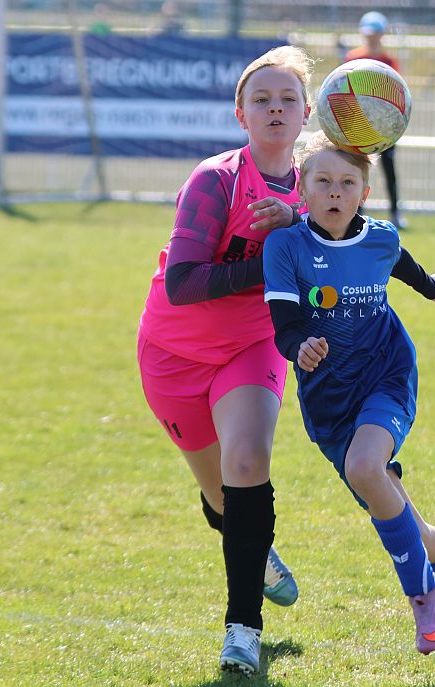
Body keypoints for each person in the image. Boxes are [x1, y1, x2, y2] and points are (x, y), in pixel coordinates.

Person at [263, 131, 435, 656]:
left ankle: (424, 600)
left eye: (347, 183)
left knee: (364, 469)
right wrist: (299, 346)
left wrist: (433, 288)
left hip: (386, 374)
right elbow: (284, 323)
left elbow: (402, 265)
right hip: (329, 400)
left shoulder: (380, 238)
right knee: (407, 525)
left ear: (364, 193)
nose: (335, 192)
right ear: (302, 190)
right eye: (323, 181)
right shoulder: (285, 246)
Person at [136, 45, 314, 676]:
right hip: (173, 351)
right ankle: (253, 546)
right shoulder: (215, 179)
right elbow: (184, 283)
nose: (274, 108)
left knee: (248, 462)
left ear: (306, 112)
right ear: (241, 113)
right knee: (220, 494)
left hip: (252, 343)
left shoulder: (316, 186)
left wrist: (300, 224)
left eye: (287, 99)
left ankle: (242, 627)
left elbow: (350, 246)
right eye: (260, 99)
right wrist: (266, 260)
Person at [346, 11, 406, 228]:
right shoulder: (353, 58)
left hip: (383, 126)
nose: (372, 38)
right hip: (358, 124)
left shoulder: (389, 61)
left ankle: (395, 213)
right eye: (369, 33)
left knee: (389, 168)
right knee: (356, 170)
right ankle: (356, 212)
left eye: (376, 33)